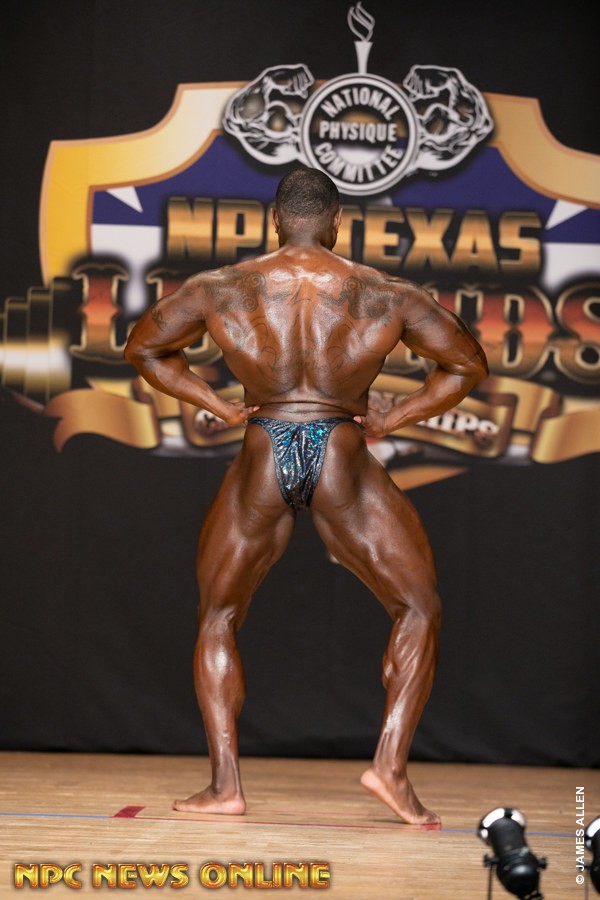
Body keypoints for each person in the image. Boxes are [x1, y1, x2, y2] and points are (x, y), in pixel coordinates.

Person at [124, 166, 488, 826]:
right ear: (337, 222)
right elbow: (467, 364)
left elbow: (144, 349)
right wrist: (394, 418)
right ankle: (389, 768)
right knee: (417, 607)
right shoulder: (386, 292)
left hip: (263, 451)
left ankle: (225, 787)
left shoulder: (220, 288)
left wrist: (216, 402)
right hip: (341, 454)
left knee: (219, 615)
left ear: (275, 221)